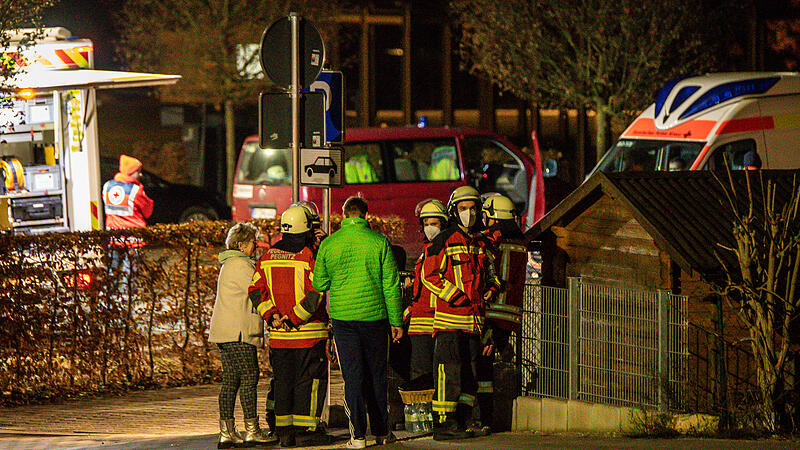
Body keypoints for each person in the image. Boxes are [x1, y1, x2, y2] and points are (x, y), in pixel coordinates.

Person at [312, 196, 403, 449]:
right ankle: (382, 432)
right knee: (377, 376)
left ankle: (358, 436)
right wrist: (396, 321)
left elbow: (319, 284)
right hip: (375, 319)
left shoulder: (330, 244)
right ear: (365, 215)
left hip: (344, 321)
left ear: (343, 215)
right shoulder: (379, 242)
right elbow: (391, 285)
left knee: (352, 377)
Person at [249, 206, 330, 447]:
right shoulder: (308, 256)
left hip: (279, 337)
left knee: (283, 382)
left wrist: (272, 317)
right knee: (309, 382)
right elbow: (316, 294)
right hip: (308, 334)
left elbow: (255, 290)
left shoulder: (268, 256)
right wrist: (294, 318)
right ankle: (307, 432)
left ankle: (284, 433)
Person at [422, 186, 492, 440]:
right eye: (463, 209)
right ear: (454, 211)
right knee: (448, 373)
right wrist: (454, 295)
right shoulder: (445, 240)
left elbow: (487, 276)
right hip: (451, 322)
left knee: (470, 375)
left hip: (473, 322)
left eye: (473, 208)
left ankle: (461, 419)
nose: (469, 213)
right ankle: (444, 423)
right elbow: (429, 275)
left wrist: (490, 290)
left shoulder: (478, 243)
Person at [208, 222, 273, 448]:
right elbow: (260, 290)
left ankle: (226, 432)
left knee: (230, 380)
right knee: (249, 377)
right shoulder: (241, 265)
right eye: (253, 242)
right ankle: (252, 430)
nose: (256, 245)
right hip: (238, 332)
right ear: (241, 244)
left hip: (225, 330)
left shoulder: (229, 264)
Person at [476, 194, 530, 432]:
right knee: (489, 367)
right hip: (509, 317)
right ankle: (488, 419)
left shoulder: (491, 241)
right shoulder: (521, 243)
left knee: (482, 369)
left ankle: (484, 419)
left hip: (491, 314)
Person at [403, 199, 448, 388]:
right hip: (420, 323)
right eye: (426, 224)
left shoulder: (442, 249)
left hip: (434, 322)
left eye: (434, 224)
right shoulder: (427, 250)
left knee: (429, 375)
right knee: (419, 374)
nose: (429, 228)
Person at [102, 155, 153, 229]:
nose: (140, 174)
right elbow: (148, 212)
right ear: (130, 172)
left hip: (113, 234)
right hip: (133, 235)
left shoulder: (107, 186)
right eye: (138, 171)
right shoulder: (135, 190)